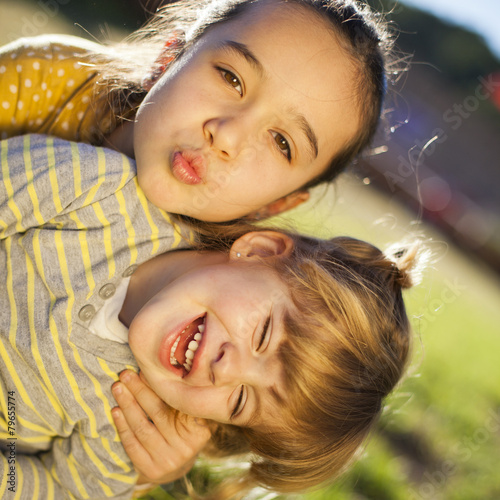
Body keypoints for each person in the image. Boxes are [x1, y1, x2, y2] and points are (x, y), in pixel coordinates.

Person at [0, 134, 421, 499]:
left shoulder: (134, 420)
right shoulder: (103, 196)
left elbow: (61, 491)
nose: (226, 370)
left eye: (240, 401)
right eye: (262, 334)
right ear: (259, 252)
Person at [0, 0, 394, 222]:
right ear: (168, 58)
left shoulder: (209, 312)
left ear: (275, 205)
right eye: (231, 78)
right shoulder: (49, 79)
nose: (226, 136)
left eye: (281, 142)